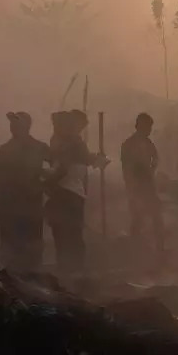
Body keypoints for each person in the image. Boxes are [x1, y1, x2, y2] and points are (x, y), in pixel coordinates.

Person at [45, 110, 106, 272]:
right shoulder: (71, 141)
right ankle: (73, 272)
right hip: (70, 193)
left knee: (65, 236)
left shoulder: (62, 140)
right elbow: (70, 163)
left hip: (64, 192)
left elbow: (79, 159)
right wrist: (97, 160)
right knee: (71, 235)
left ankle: (68, 271)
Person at [0, 112, 48, 271]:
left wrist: (44, 184)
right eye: (12, 124)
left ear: (26, 126)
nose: (13, 127)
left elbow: (57, 167)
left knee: (32, 247)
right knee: (10, 249)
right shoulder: (5, 149)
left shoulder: (40, 147)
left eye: (17, 124)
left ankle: (34, 278)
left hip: (31, 205)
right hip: (9, 207)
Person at [120, 112, 162, 252]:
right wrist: (131, 187)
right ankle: (136, 249)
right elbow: (126, 168)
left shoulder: (147, 142)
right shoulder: (129, 144)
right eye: (148, 126)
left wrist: (151, 170)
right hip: (137, 185)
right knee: (139, 217)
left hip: (147, 184)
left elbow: (155, 158)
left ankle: (158, 248)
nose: (149, 130)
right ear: (139, 126)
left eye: (150, 127)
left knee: (154, 216)